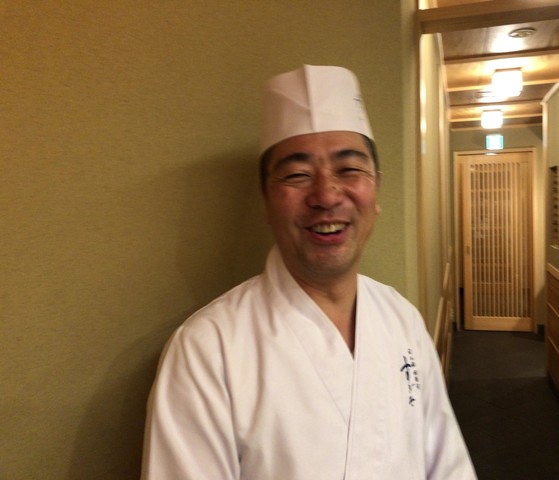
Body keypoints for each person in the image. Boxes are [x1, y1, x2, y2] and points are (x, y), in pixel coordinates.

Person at [141, 64, 476, 479]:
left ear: (376, 190)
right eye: (297, 175)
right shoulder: (207, 349)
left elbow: (448, 465)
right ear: (266, 201)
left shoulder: (402, 317)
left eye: (349, 169)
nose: (326, 195)